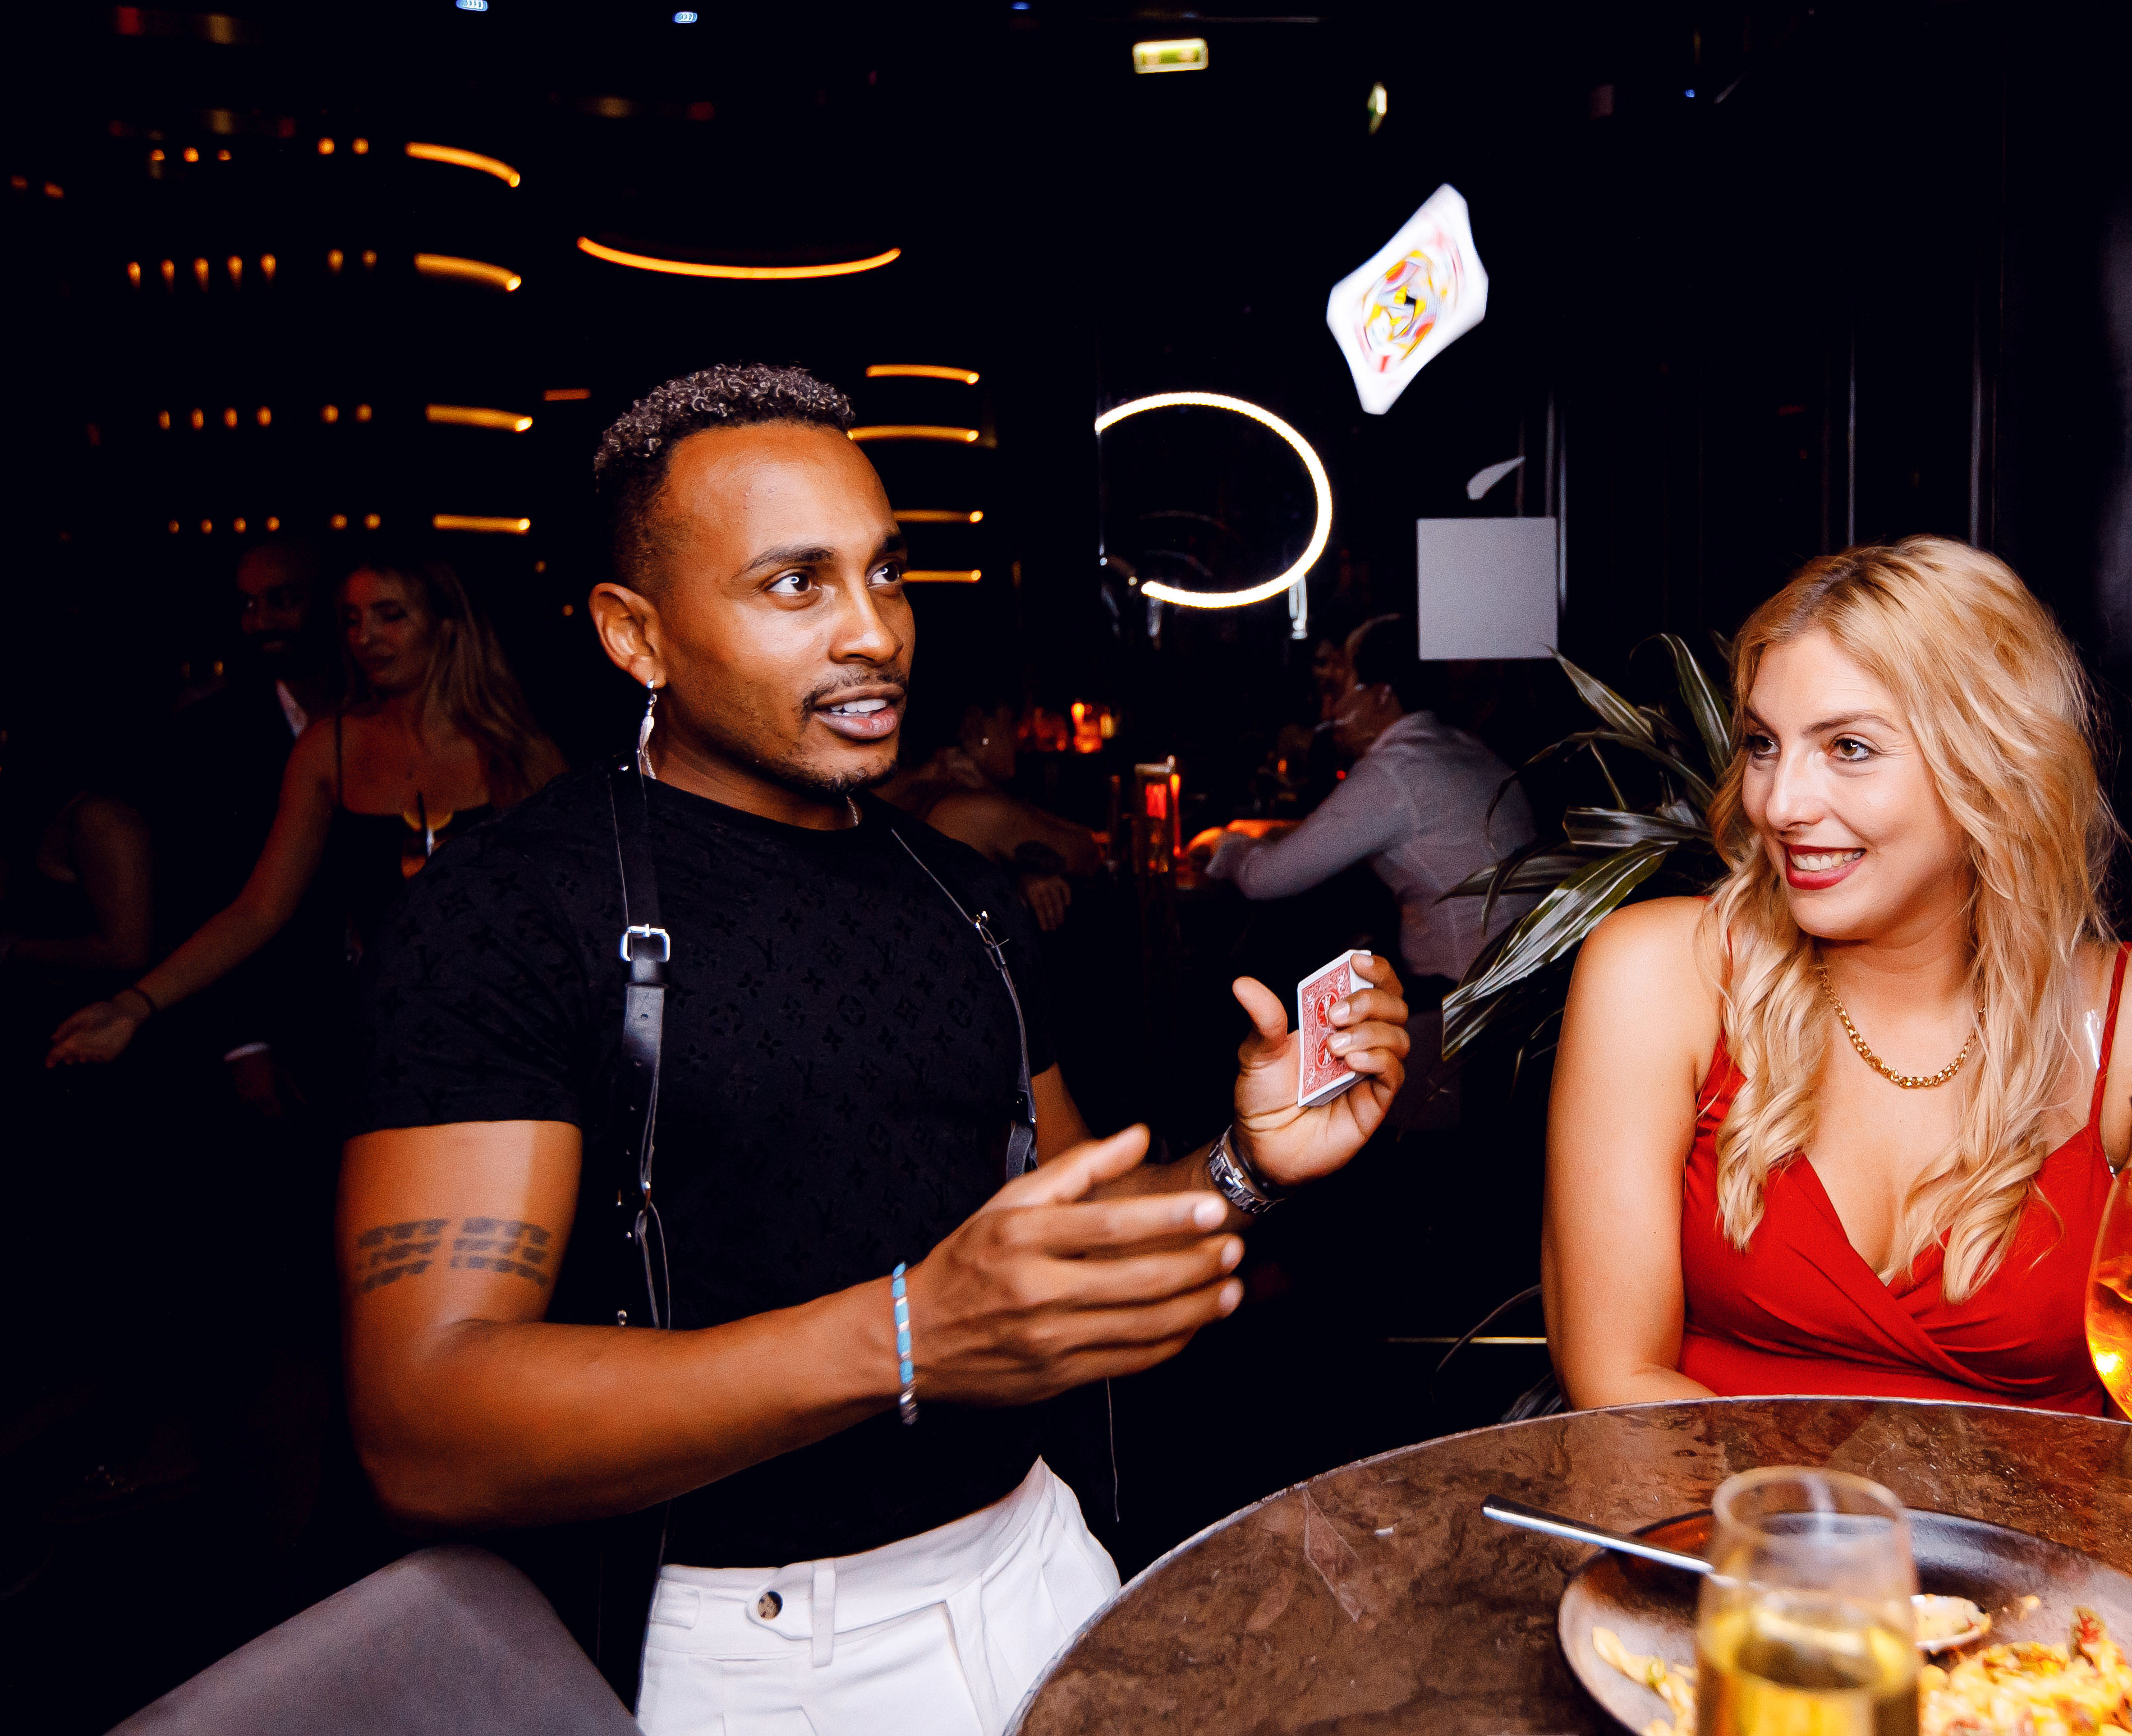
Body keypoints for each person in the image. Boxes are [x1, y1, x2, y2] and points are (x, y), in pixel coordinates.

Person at [329, 364, 1411, 1734]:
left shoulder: (962, 895)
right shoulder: (512, 910)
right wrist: (903, 1335)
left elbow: (1056, 1252)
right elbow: (424, 1424)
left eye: (885, 572)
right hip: (754, 1642)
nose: (874, 631)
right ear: (635, 634)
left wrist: (1246, 1164)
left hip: (1039, 1559)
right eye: (796, 583)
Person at [1543, 537, 2132, 1414]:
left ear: (1990, 766)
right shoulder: (1658, 975)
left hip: (2039, 1513)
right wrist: (1821, 1514)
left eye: (1847, 746)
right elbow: (1613, 1379)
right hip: (1705, 1504)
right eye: (1762, 743)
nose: (1780, 803)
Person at [44, 556, 566, 1072]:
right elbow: (258, 909)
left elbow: (573, 909)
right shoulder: (329, 748)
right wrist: (134, 1005)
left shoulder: (518, 753)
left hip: (507, 1032)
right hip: (382, 1037)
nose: (364, 637)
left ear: (448, 626)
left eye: (390, 615)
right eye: (351, 619)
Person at [1200, 613, 1536, 999]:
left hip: (1463, 996)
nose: (1330, 712)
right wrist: (1274, 833)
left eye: (1343, 688)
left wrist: (1222, 843)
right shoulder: (1460, 746)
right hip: (1521, 982)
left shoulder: (1395, 770)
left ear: (1381, 695)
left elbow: (1264, 879)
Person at [159, 539, 343, 1115]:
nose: (260, 621)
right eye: (247, 604)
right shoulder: (209, 732)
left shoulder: (394, 718)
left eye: (281, 600)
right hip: (278, 1020)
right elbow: (201, 892)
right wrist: (243, 1042)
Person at [876, 653, 1101, 932]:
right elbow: (1087, 851)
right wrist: (989, 791)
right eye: (1013, 722)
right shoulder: (973, 809)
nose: (1023, 735)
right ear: (978, 725)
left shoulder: (906, 791)